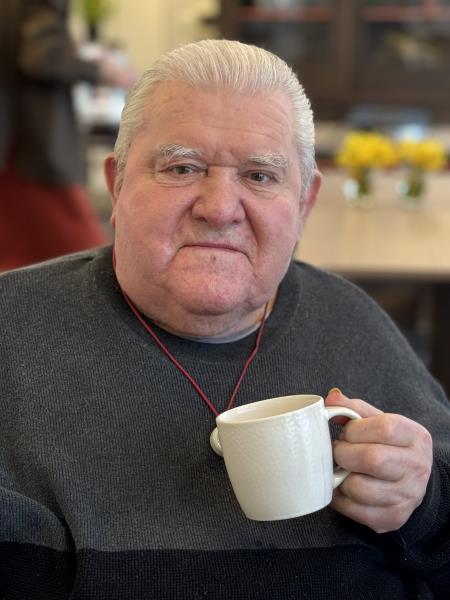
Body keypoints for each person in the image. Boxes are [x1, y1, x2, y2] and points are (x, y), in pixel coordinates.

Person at [0, 39, 449, 600]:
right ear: (117, 185)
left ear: (304, 204)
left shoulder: (355, 322)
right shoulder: (12, 333)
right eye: (182, 168)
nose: (218, 208)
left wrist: (425, 505)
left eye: (260, 176)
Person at [0, 0, 135, 270]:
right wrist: (101, 70)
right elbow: (41, 54)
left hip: (13, 145)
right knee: (90, 265)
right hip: (35, 148)